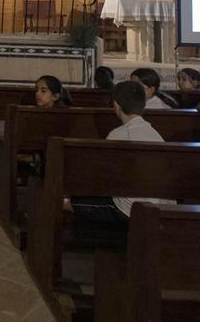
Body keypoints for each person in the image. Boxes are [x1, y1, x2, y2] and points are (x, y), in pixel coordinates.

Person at [67, 81, 169, 226]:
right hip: (157, 205)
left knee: (74, 202)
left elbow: (105, 176)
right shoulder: (154, 133)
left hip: (130, 210)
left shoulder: (118, 134)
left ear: (116, 105)